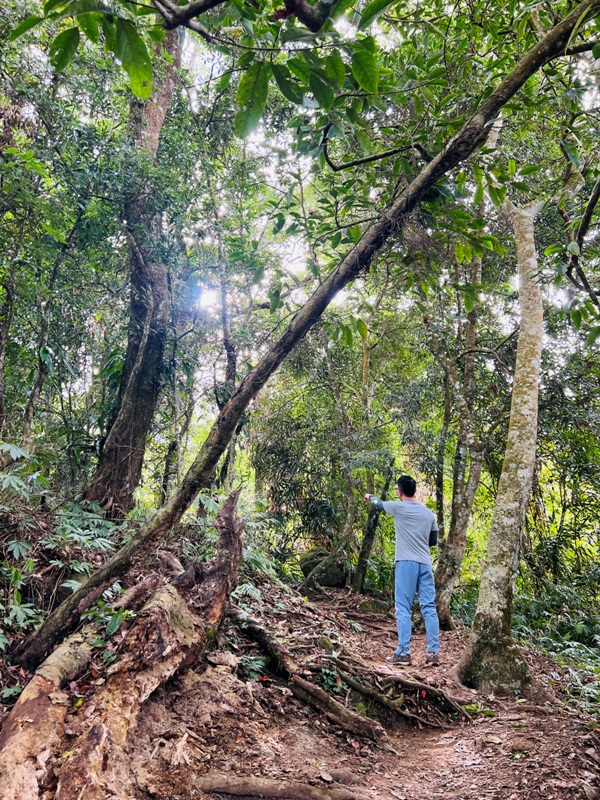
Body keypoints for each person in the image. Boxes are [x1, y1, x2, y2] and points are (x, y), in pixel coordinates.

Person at [364, 475, 440, 666]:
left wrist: (369, 496)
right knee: (429, 607)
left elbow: (379, 504)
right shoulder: (428, 514)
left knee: (404, 608)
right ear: (415, 491)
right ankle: (433, 653)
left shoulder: (398, 507)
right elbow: (433, 541)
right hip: (425, 563)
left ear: (399, 492)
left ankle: (404, 653)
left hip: (406, 562)